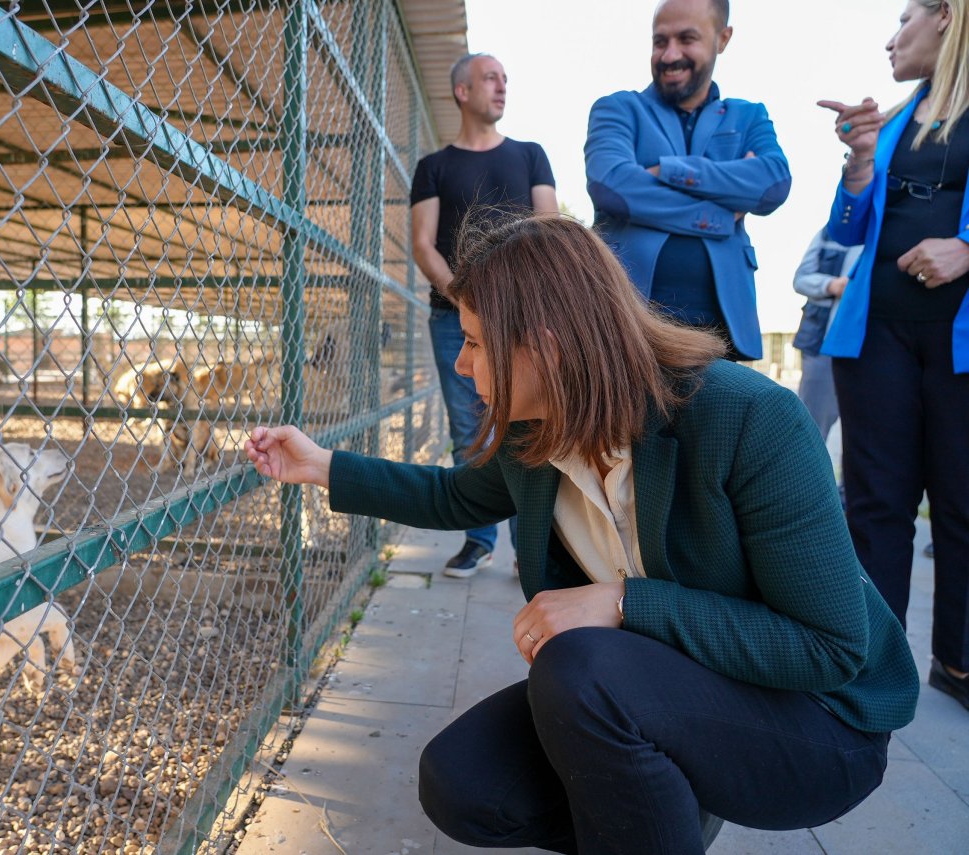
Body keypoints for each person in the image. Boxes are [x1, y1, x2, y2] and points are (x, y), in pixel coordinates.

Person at [245, 215, 918, 854]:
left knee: (580, 669)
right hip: (679, 688)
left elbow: (828, 648)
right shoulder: (532, 431)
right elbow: (454, 495)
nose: (462, 364)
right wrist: (322, 465)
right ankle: (657, 811)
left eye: (475, 343)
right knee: (461, 781)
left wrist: (621, 602)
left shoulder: (748, 418)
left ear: (545, 347)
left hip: (817, 723)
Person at [818, 0, 969, 711]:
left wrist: (968, 250)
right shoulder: (895, 122)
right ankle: (868, 664)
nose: (890, 37)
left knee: (963, 502)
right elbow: (845, 225)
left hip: (959, 343)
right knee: (876, 502)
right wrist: (857, 160)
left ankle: (958, 664)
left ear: (944, 15)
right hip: (874, 333)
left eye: (903, 19)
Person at [411, 52, 558, 577]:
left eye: (505, 79)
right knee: (470, 427)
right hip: (453, 318)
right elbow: (424, 246)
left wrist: (509, 306)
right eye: (491, 78)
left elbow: (550, 229)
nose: (501, 87)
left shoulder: (530, 155)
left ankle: (530, 545)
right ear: (462, 91)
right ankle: (479, 539)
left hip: (520, 319)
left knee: (528, 425)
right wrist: (472, 304)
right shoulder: (434, 167)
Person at [584, 0, 790, 361]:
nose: (669, 54)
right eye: (659, 41)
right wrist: (724, 212)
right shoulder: (617, 109)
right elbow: (612, 187)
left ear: (722, 39)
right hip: (627, 330)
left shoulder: (750, 116)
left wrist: (670, 171)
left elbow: (773, 184)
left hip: (723, 335)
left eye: (687, 39)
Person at [790, 227, 863, 440]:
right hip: (822, 343)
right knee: (809, 428)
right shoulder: (831, 231)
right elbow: (801, 279)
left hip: (872, 346)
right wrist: (831, 285)